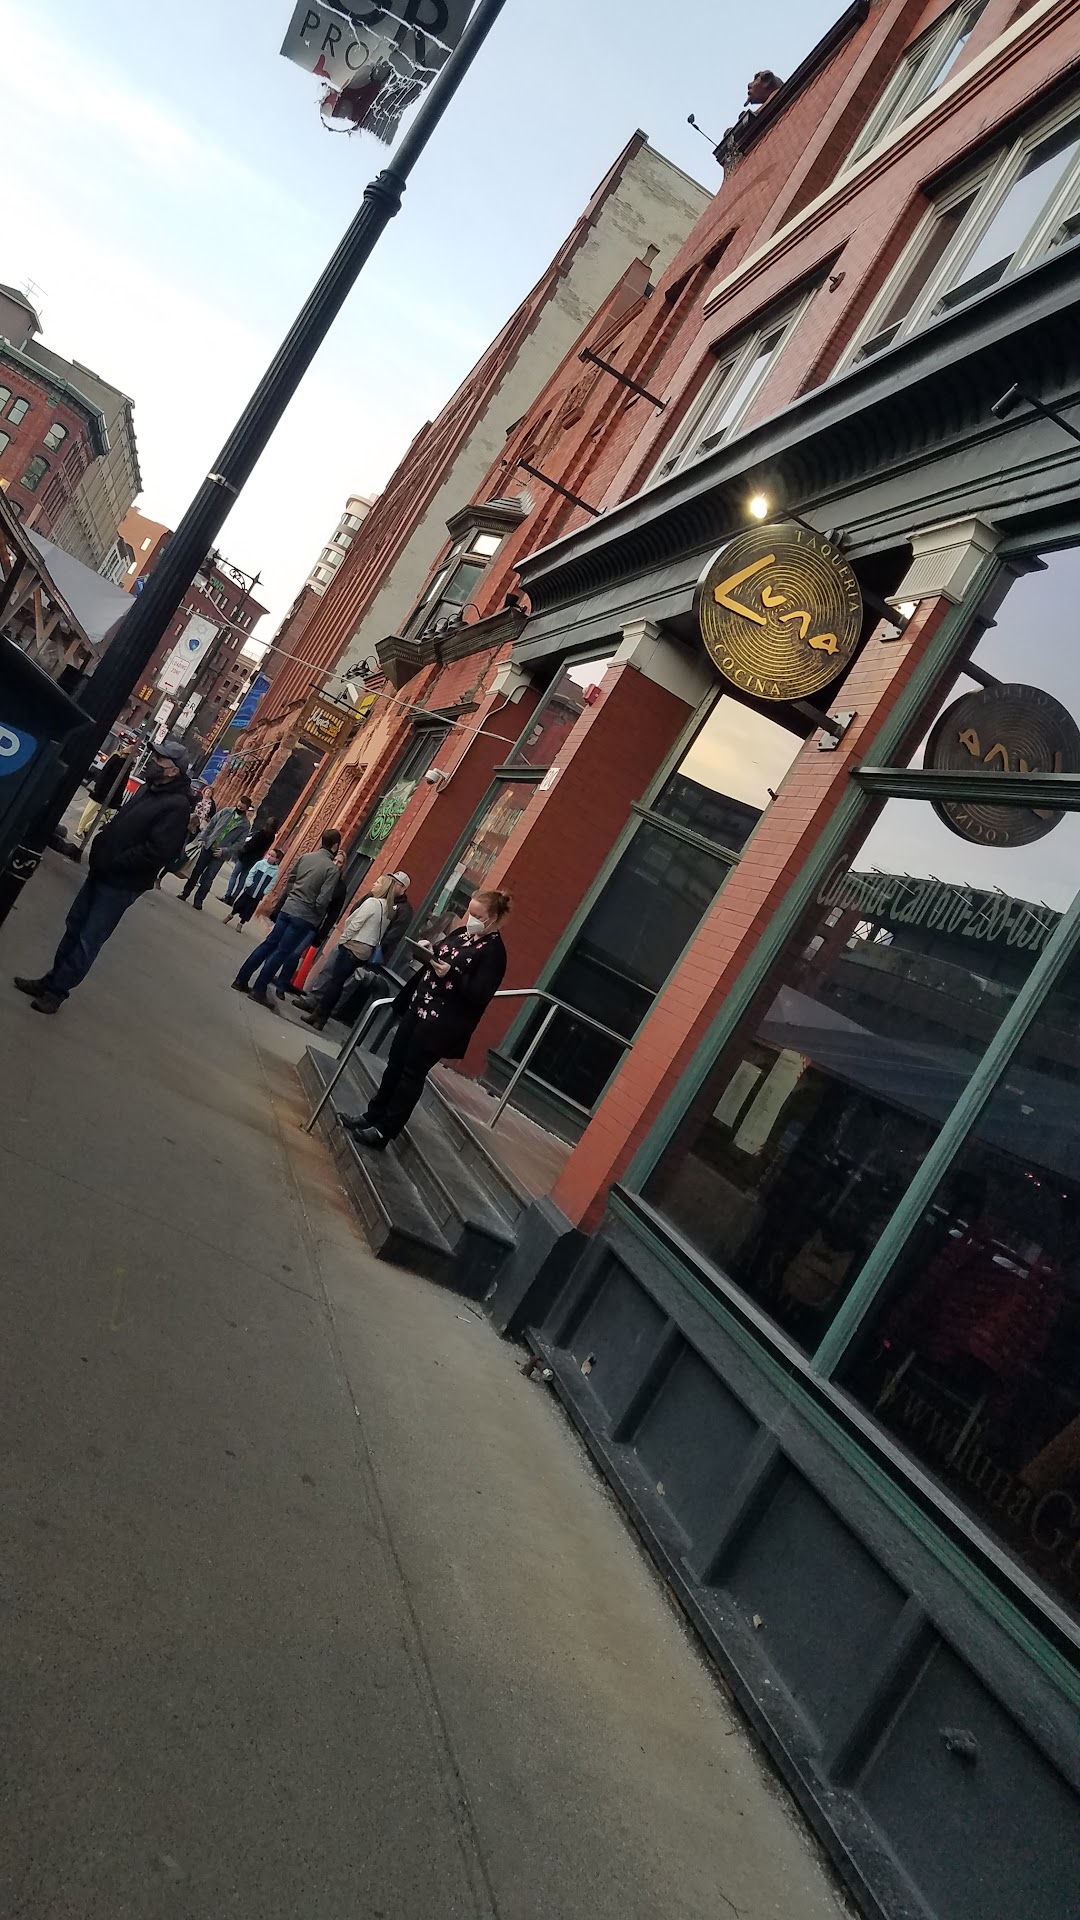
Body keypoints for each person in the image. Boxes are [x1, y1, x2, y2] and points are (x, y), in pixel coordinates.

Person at [13, 741, 193, 1016]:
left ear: (173, 771)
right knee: (74, 926)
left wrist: (116, 863)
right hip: (103, 871)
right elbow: (122, 823)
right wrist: (101, 844)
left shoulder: (177, 806)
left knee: (88, 939)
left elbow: (158, 851)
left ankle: (56, 992)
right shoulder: (149, 789)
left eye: (160, 759)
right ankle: (51, 980)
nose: (153, 761)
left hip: (120, 883)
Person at [343, 888, 510, 1149]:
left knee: (411, 1073)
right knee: (395, 1062)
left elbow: (479, 994)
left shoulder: (494, 953)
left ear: (494, 918)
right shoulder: (462, 934)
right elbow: (441, 955)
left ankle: (385, 1130)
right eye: (471, 913)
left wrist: (451, 974)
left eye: (479, 916)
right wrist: (429, 951)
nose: (472, 920)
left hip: (441, 1022)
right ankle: (372, 1114)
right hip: (418, 1005)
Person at [231, 830, 342, 1006]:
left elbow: (291, 878)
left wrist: (293, 895)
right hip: (305, 915)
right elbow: (323, 899)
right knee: (282, 952)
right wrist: (317, 913)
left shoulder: (306, 857)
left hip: (289, 907)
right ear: (335, 846)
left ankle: (241, 979)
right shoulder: (331, 870)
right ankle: (259, 989)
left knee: (269, 944)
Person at [300, 873, 401, 1030]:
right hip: (365, 951)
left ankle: (319, 1015)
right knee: (340, 984)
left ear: (383, 887)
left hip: (352, 946)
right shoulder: (388, 910)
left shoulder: (372, 903)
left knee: (335, 982)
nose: (374, 884)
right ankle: (322, 1016)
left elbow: (355, 924)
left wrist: (342, 940)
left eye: (378, 882)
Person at [180, 795, 253, 909]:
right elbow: (211, 824)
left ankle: (199, 900)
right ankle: (185, 892)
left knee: (208, 877)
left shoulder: (245, 825)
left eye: (242, 808)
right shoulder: (226, 811)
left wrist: (225, 850)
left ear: (246, 809)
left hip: (221, 854)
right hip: (208, 846)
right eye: (238, 806)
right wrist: (202, 838)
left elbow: (239, 843)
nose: (239, 808)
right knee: (196, 871)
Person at [75, 745, 134, 844]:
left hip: (113, 794)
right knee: (90, 810)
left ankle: (87, 827)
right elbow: (105, 773)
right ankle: (79, 831)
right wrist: (99, 787)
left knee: (106, 815)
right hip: (102, 790)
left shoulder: (127, 765)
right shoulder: (117, 759)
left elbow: (122, 783)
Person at [223, 817, 278, 906]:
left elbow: (251, 844)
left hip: (246, 856)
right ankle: (233, 898)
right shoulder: (271, 837)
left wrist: (242, 850)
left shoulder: (261, 833)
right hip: (255, 859)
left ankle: (227, 895)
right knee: (242, 879)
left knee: (234, 875)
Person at [224, 847, 283, 928]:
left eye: (272, 856)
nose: (269, 857)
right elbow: (252, 872)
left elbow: (272, 883)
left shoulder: (275, 871)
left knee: (249, 909)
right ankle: (231, 915)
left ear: (276, 859)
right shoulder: (260, 863)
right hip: (250, 890)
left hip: (258, 894)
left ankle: (241, 923)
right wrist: (249, 883)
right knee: (240, 904)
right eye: (269, 854)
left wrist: (265, 891)